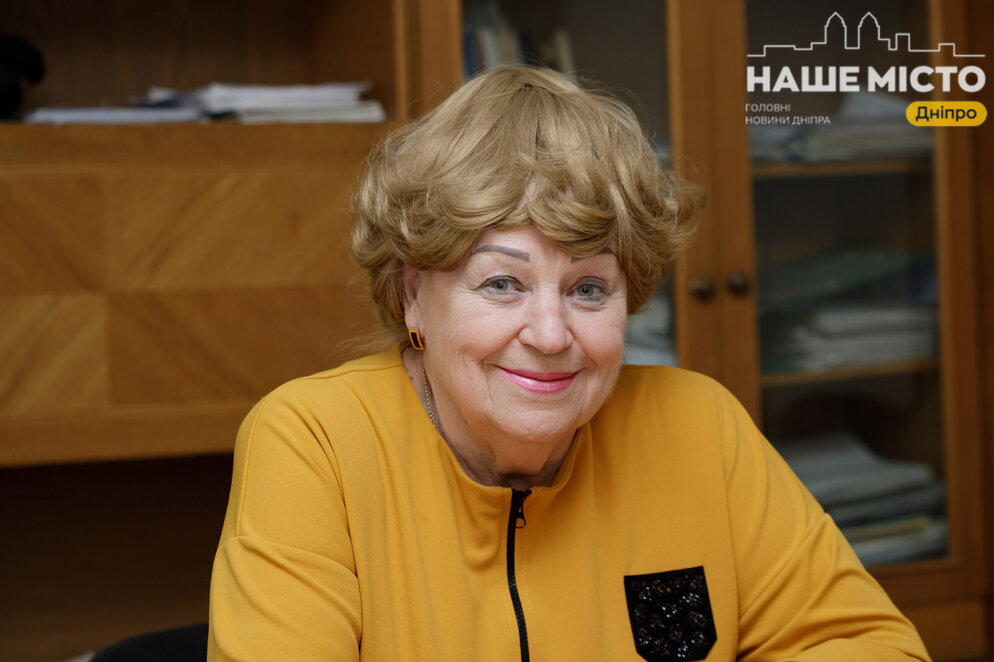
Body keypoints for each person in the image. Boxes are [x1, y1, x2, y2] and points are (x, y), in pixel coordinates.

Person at [207, 66, 930, 661]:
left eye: (588, 288)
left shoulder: (698, 423)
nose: (552, 335)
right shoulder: (317, 442)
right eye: (502, 283)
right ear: (413, 296)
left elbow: (867, 644)